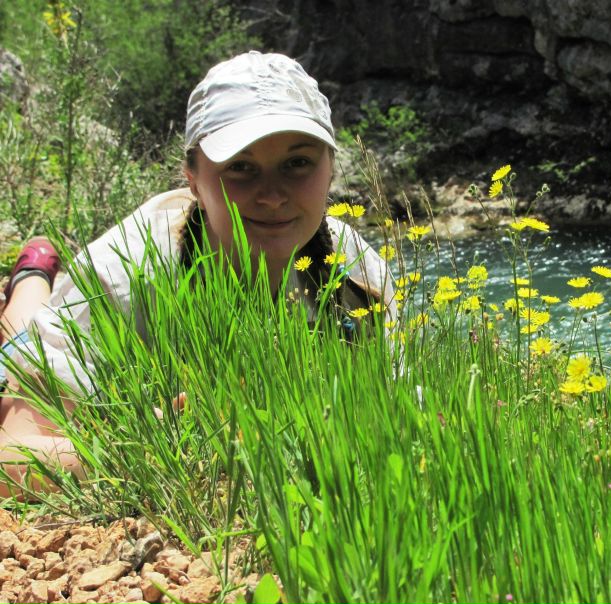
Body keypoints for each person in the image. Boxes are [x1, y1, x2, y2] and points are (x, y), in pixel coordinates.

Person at [0, 50, 397, 498]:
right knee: (18, 329)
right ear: (192, 177)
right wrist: (154, 448)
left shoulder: (359, 276)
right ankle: (31, 274)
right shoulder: (118, 278)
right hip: (65, 321)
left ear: (329, 169)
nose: (271, 195)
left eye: (297, 163)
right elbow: (12, 452)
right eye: (240, 168)